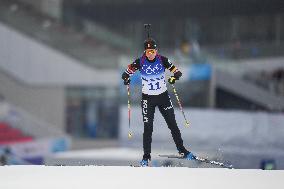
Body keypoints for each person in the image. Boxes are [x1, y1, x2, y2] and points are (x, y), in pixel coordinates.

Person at [121, 38, 195, 166]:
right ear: (145, 51)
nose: (151, 53)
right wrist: (126, 79)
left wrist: (173, 78)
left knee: (172, 124)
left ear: (156, 50)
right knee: (148, 128)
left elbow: (178, 72)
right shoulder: (140, 62)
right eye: (148, 51)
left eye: (153, 51)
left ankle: (182, 150)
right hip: (147, 99)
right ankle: (146, 157)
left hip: (163, 97)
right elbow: (126, 73)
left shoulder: (163, 60)